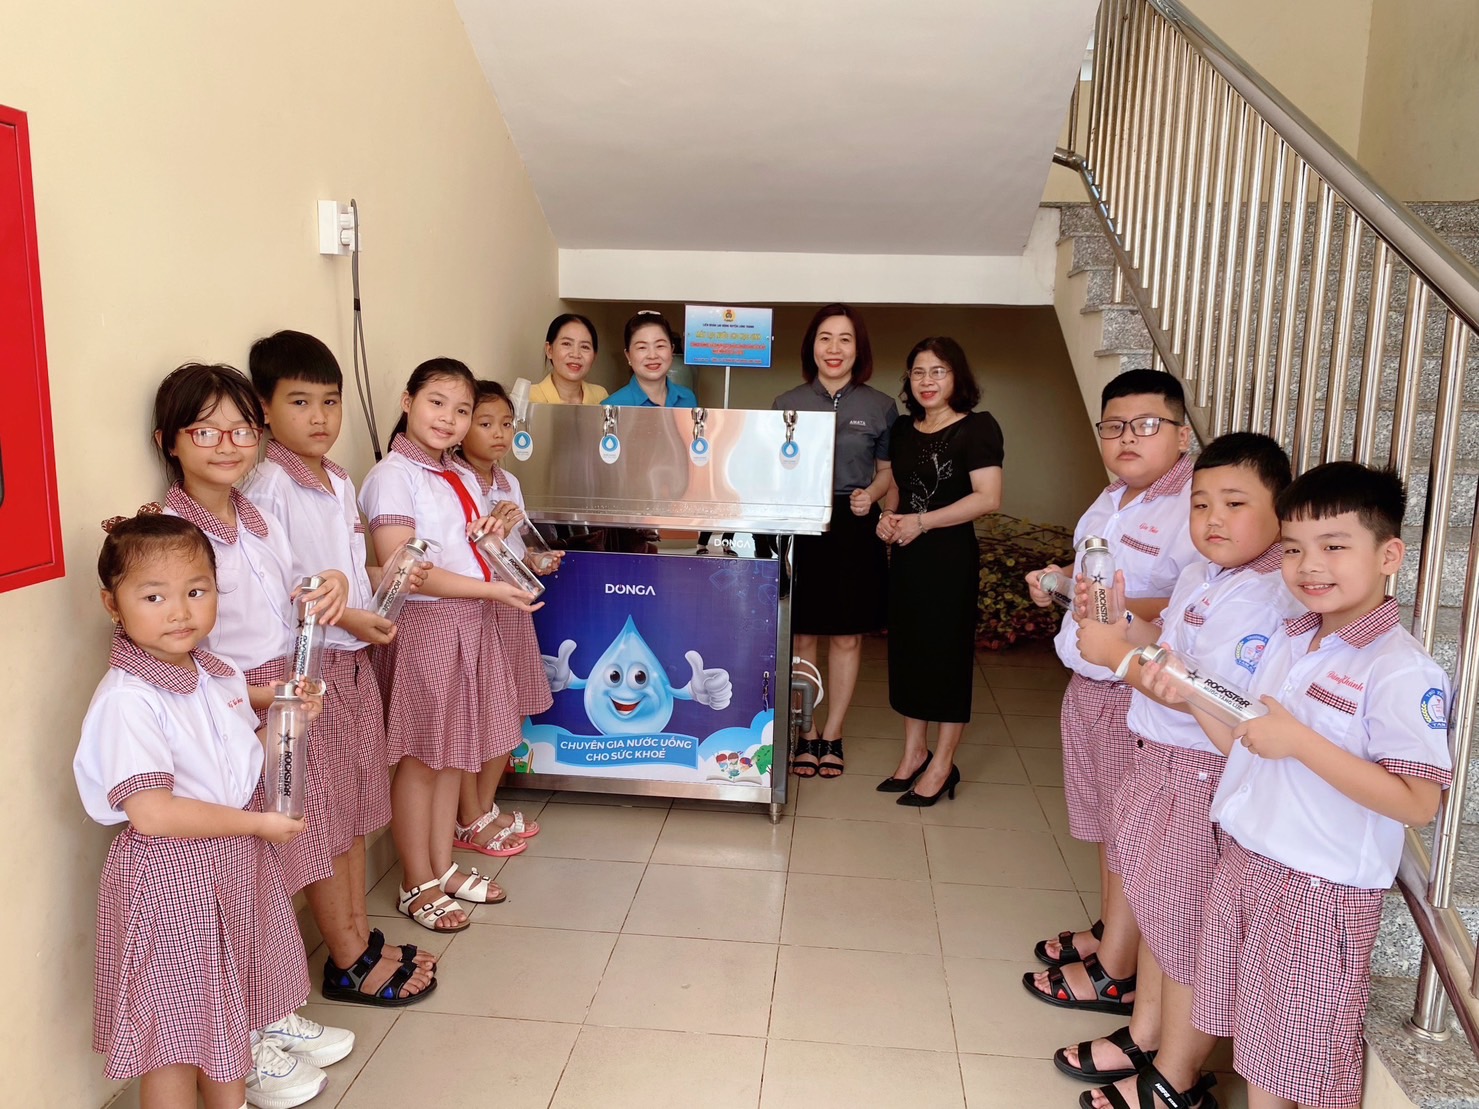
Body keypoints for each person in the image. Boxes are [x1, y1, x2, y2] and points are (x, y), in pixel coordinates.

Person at [1087, 462, 1453, 1109]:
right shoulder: (1294, 638)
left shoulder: (1400, 668)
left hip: (1318, 892)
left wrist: (1299, 741)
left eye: (1333, 546)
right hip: (1248, 858)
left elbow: (1419, 801)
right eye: (1292, 549)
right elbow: (1246, 743)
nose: (1309, 566)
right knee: (1258, 1045)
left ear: (1388, 555)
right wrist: (1187, 690)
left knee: (1293, 1060)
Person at [1053, 433, 1294, 1106]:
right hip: (1155, 756)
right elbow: (1170, 647)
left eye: (1235, 503)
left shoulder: (1268, 597)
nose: (1213, 519)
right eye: (1201, 503)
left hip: (1197, 772)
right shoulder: (1203, 574)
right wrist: (1122, 624)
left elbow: (1218, 699)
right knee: (1157, 913)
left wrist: (1120, 656)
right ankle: (1146, 1034)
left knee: (1185, 929)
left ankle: (1176, 1077)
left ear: (1280, 510)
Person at [152, 362, 357, 1099]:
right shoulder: (168, 535)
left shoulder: (254, 514)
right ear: (170, 441)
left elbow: (291, 591)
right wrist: (265, 696)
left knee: (272, 871)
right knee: (237, 876)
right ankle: (237, 1042)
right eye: (206, 431)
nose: (228, 444)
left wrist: (329, 584)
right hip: (231, 715)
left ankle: (267, 1011)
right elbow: (181, 651)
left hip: (281, 701)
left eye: (241, 429)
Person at [74, 511, 317, 1109]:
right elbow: (152, 813)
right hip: (172, 883)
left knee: (226, 1027)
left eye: (197, 591)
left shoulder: (215, 671)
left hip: (231, 866)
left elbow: (241, 757)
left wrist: (287, 716)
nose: (180, 612)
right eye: (153, 597)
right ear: (112, 605)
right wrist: (258, 824)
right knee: (176, 1044)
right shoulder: (129, 699)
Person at [242, 330, 437, 1008]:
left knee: (353, 810)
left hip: (350, 664)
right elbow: (286, 592)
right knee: (322, 818)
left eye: (330, 401)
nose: (320, 417)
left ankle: (359, 934)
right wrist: (353, 617)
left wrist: (386, 583)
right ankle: (347, 959)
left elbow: (346, 570)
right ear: (264, 409)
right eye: (300, 402)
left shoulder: (340, 477)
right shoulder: (268, 486)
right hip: (308, 667)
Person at [1021, 368, 1199, 1013]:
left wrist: (1101, 606)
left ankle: (1117, 970)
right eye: (1114, 426)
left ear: (1182, 434)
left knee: (1131, 833)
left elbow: (1187, 604)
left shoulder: (1194, 507)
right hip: (1090, 681)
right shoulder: (1113, 496)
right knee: (1104, 822)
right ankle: (1108, 935)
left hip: (1137, 688)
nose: (1127, 438)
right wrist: (1059, 578)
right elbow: (1095, 571)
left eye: (1146, 425)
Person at [359, 358, 541, 932]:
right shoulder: (394, 475)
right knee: (420, 760)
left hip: (467, 620)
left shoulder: (453, 473)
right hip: (426, 627)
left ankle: (441, 869)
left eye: (461, 410)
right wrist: (493, 589)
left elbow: (469, 549)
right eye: (437, 403)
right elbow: (405, 568)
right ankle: (416, 881)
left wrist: (500, 535)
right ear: (408, 401)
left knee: (449, 756)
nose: (449, 419)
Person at [874, 338, 1003, 804]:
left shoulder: (977, 427)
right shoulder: (903, 428)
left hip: (949, 559)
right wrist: (889, 518)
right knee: (910, 655)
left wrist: (921, 522)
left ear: (957, 377)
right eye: (918, 372)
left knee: (946, 659)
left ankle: (944, 763)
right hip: (908, 559)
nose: (926, 381)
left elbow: (988, 497)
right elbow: (897, 488)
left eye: (938, 371)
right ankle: (915, 752)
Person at [772, 304, 898, 778]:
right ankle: (805, 733)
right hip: (801, 525)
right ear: (812, 346)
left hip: (853, 526)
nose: (834, 348)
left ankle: (834, 733)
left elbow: (887, 473)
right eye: (825, 338)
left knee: (846, 637)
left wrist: (873, 494)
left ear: (858, 349)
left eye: (845, 339)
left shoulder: (880, 406)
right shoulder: (786, 402)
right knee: (803, 634)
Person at [452, 379, 560, 854]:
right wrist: (493, 524)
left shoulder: (508, 481)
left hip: (513, 604)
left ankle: (483, 806)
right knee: (475, 713)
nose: (499, 434)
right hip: (478, 607)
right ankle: (468, 816)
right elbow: (462, 552)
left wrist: (537, 560)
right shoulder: (452, 480)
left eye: (506, 424)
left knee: (510, 706)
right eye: (485, 423)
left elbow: (516, 547)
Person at [606, 310, 697, 408]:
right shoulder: (612, 405)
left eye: (660, 346)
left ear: (672, 350)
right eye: (642, 347)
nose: (652, 356)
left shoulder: (688, 398)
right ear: (628, 356)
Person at [528, 313, 607, 404]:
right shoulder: (528, 398)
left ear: (594, 356)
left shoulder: (600, 397)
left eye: (585, 347)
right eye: (566, 344)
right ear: (549, 350)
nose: (576, 354)